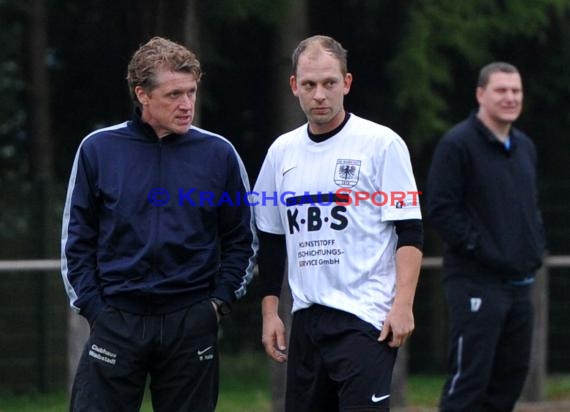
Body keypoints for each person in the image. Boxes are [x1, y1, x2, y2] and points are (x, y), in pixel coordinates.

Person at [60, 36, 257, 412]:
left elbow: (241, 240)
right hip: (117, 320)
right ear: (142, 95)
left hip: (191, 321)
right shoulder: (98, 149)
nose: (187, 105)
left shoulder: (219, 154)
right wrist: (96, 310)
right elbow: (76, 240)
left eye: (192, 92)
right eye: (173, 95)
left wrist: (217, 304)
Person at [253, 35, 423, 412]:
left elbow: (409, 230)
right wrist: (270, 313)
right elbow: (270, 237)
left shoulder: (382, 144)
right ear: (294, 85)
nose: (319, 95)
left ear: (346, 83)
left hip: (365, 319)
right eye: (310, 84)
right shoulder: (281, 152)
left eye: (329, 83)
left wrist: (403, 305)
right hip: (307, 321)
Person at [426, 62, 546, 412]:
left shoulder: (524, 146)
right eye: (501, 90)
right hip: (476, 283)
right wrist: (481, 248)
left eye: (516, 91)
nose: (510, 97)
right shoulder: (457, 145)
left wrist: (534, 246)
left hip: (521, 285)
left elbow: (531, 207)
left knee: (510, 378)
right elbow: (441, 210)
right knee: (470, 380)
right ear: (481, 94)